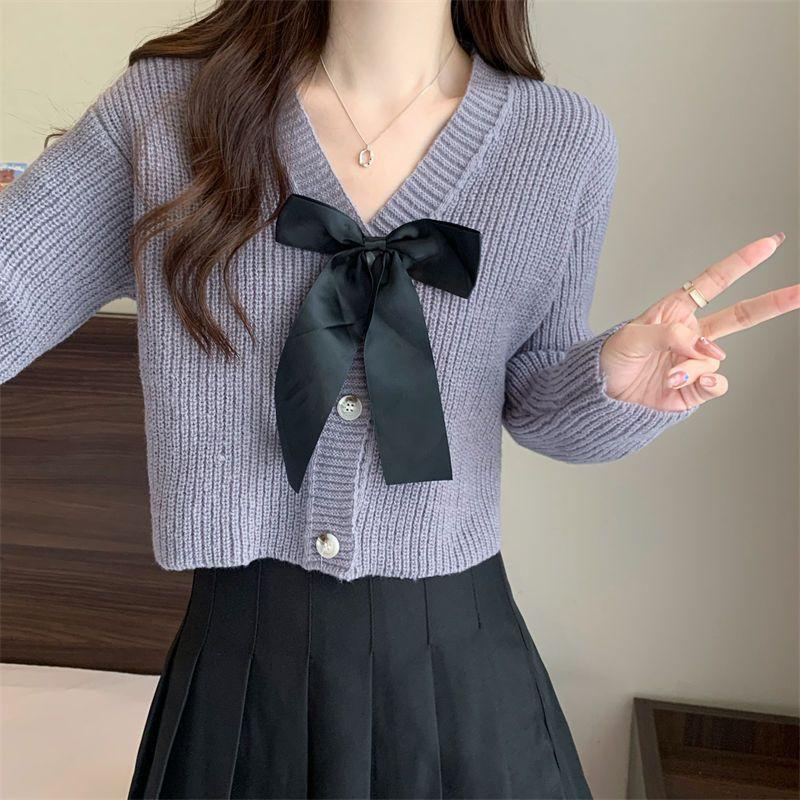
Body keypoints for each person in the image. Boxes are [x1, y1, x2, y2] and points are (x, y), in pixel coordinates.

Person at [0, 1, 795, 798]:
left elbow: (535, 397)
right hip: (240, 671)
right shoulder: (168, 112)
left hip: (460, 668)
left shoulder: (561, 141)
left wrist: (615, 386)